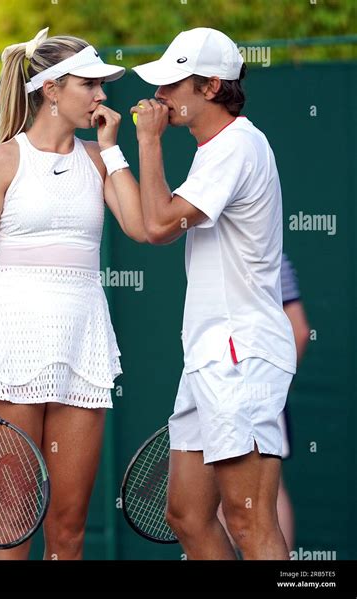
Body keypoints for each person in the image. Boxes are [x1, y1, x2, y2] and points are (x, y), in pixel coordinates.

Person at [0, 26, 144, 560]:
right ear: (52, 90)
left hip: (82, 345)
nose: (103, 96)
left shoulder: (101, 159)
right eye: (91, 84)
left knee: (69, 529)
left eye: (103, 86)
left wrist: (114, 149)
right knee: (13, 526)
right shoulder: (1, 162)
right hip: (10, 346)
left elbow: (142, 225)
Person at [131, 28, 297, 560]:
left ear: (210, 87)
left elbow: (158, 224)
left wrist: (148, 141)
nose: (160, 97)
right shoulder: (214, 150)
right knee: (186, 513)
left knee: (249, 520)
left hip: (240, 353)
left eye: (171, 85)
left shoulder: (238, 145)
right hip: (210, 355)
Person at [217, 253, 310, 553]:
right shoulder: (210, 252)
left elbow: (299, 330)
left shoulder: (269, 257)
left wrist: (271, 386)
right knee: (214, 495)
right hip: (218, 386)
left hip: (254, 385)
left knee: (264, 495)